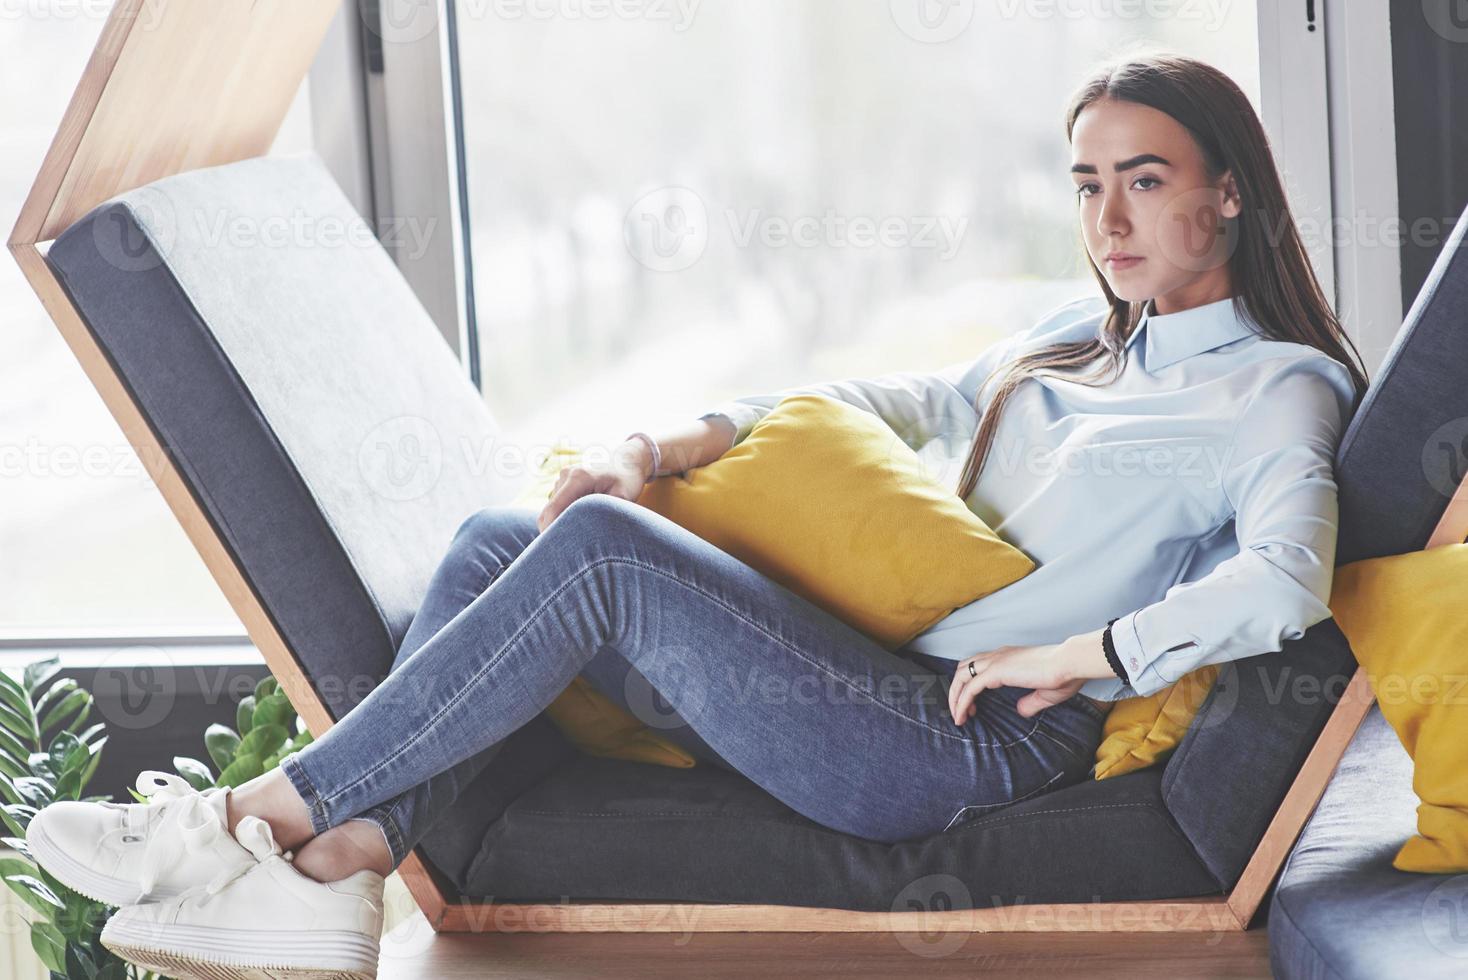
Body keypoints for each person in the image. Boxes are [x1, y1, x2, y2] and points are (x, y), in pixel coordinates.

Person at [27, 52, 1370, 979]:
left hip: (960, 746)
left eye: (1144, 177)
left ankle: (249, 822)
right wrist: (648, 445)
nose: (1110, 214)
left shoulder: (1276, 389)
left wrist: (1074, 657)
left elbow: (1285, 583)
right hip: (870, 679)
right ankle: (348, 868)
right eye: (1087, 182)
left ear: (1227, 193)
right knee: (516, 537)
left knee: (602, 558)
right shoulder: (1080, 342)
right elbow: (872, 399)